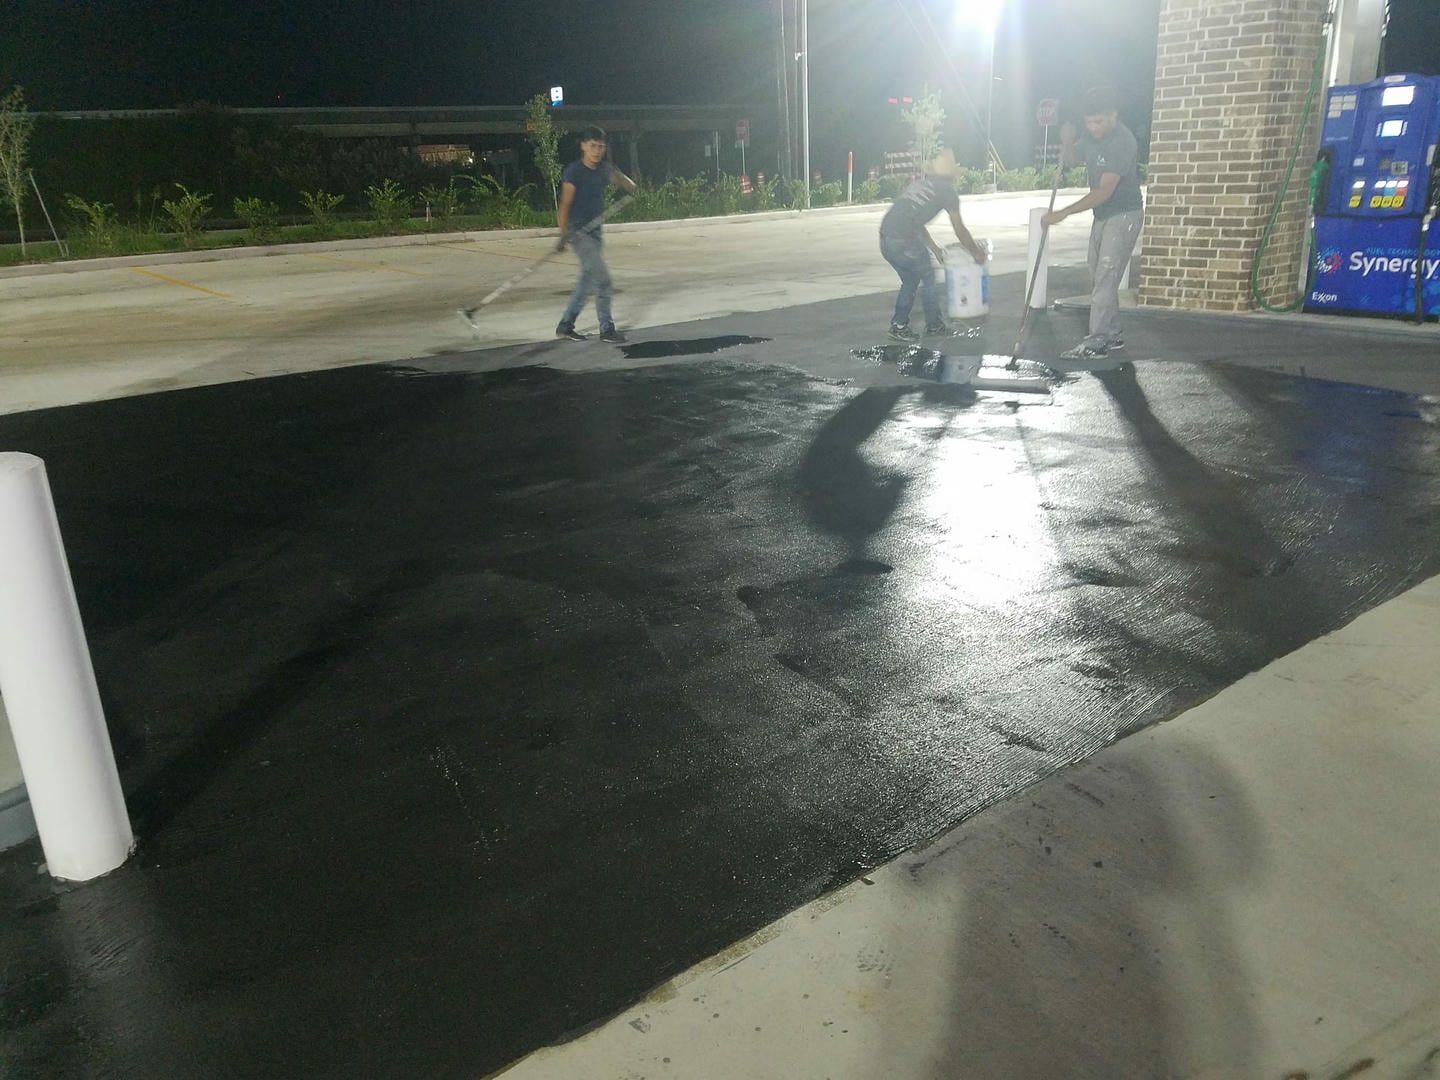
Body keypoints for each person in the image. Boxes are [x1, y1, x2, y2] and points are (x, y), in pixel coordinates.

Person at [1042, 86, 1145, 361]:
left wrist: (1063, 213)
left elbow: (1104, 191)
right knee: (1098, 277)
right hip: (1102, 215)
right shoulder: (1091, 136)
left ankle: (1097, 340)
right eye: (1088, 122)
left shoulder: (1122, 141)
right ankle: (1112, 334)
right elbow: (1073, 160)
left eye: (1098, 121)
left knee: (1104, 277)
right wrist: (1067, 142)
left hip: (1124, 215)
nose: (1093, 127)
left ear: (1113, 115)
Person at [879, 150, 988, 342]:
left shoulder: (920, 185)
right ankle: (934, 325)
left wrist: (935, 249)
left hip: (886, 238)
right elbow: (959, 228)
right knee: (928, 278)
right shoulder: (948, 192)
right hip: (904, 239)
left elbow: (914, 221)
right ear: (952, 176)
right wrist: (975, 251)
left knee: (911, 280)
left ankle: (898, 325)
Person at [555, 126, 637, 343]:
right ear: (583, 146)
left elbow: (628, 185)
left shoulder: (603, 169)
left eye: (601, 146)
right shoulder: (574, 171)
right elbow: (565, 204)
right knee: (603, 281)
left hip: (596, 232)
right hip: (579, 233)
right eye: (593, 146)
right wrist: (563, 234)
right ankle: (607, 329)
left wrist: (624, 181)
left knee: (587, 281)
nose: (597, 151)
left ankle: (565, 325)